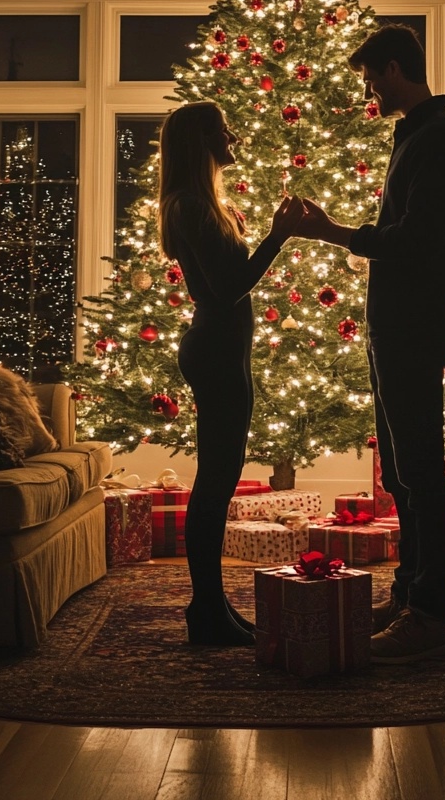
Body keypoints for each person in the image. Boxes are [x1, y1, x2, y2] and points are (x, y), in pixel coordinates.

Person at [298, 23, 445, 663]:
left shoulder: (440, 142)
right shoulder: (417, 137)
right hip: (392, 326)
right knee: (401, 474)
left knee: (422, 472)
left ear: (396, 68)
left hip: (414, 326)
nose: (369, 89)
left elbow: (414, 240)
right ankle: (408, 595)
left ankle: (430, 616)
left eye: (372, 77)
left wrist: (334, 233)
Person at [158, 101, 306, 646]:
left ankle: (213, 607)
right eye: (224, 130)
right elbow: (226, 289)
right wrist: (278, 235)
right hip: (216, 353)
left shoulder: (201, 203)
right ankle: (206, 611)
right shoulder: (190, 206)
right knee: (215, 484)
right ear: (202, 141)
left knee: (218, 481)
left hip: (223, 353)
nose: (234, 135)